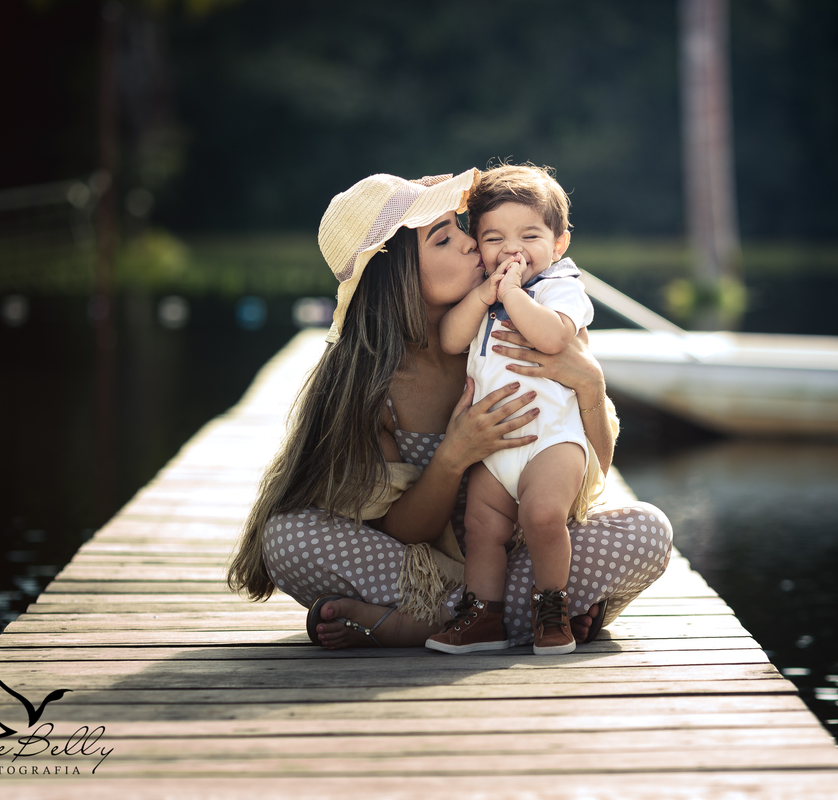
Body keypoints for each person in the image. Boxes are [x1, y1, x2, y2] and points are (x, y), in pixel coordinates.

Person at [227, 169, 672, 650]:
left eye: (462, 229)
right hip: (419, 569)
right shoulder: (375, 384)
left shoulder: (518, 335)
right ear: (397, 276)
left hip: (525, 551)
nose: (470, 244)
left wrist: (590, 384)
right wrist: (455, 453)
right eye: (443, 240)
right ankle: (519, 613)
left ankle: (439, 621)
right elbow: (402, 530)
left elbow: (597, 469)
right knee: (287, 539)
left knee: (647, 531)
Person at [428, 164, 594, 655]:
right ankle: (484, 616)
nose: (511, 248)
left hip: (552, 439)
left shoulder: (560, 287)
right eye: (494, 237)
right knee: (482, 530)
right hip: (496, 448)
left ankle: (552, 607)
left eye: (530, 235)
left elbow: (552, 336)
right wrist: (485, 294)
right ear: (478, 246)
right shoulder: (485, 295)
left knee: (544, 516)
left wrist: (512, 293)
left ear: (559, 243)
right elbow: (451, 339)